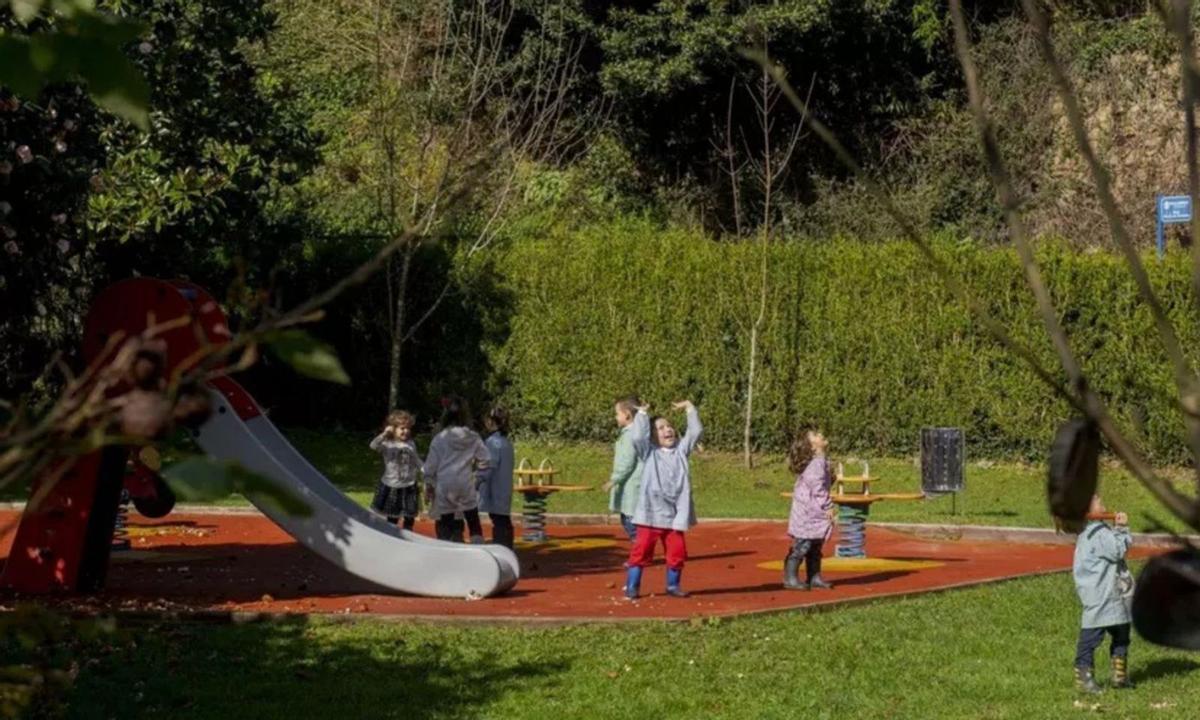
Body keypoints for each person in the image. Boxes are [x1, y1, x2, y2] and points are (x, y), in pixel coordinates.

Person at [624, 400, 702, 600]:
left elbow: (695, 432)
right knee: (640, 552)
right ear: (652, 435)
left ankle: (673, 585)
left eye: (669, 426)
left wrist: (690, 409)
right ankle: (633, 586)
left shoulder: (681, 451)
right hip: (650, 515)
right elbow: (638, 437)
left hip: (674, 516)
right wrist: (641, 415)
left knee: (677, 553)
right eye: (660, 428)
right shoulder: (649, 452)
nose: (667, 430)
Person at [1071, 495, 1134, 694]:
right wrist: (1122, 529)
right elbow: (1117, 551)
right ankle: (1083, 676)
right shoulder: (1098, 533)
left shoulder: (1092, 531)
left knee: (1122, 633)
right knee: (1091, 638)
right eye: (1096, 499)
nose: (1102, 500)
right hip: (1103, 595)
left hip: (1110, 595)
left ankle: (1119, 675)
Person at [422, 395, 490, 543]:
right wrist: (478, 474)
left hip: (445, 483)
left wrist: (428, 483)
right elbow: (485, 459)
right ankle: (478, 547)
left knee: (445, 519)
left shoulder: (439, 438)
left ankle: (447, 547)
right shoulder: (473, 437)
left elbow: (430, 466)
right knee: (472, 519)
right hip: (465, 482)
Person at [783, 429, 835, 590]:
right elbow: (817, 487)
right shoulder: (816, 463)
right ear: (811, 446)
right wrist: (828, 505)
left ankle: (814, 576)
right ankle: (790, 578)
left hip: (814, 511)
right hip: (808, 512)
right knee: (802, 544)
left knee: (815, 545)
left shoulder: (821, 461)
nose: (820, 434)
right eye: (815, 435)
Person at [368, 410, 423, 531]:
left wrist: (425, 470)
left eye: (408, 428)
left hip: (409, 486)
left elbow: (416, 460)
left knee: (409, 516)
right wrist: (384, 434)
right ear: (393, 428)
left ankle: (409, 534)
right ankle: (392, 535)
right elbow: (373, 445)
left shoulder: (410, 443)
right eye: (402, 428)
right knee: (393, 516)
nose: (406, 431)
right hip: (391, 485)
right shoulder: (387, 443)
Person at [603, 396, 645, 541]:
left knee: (630, 520)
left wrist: (613, 480)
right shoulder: (632, 433)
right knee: (627, 518)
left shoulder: (630, 435)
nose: (615, 417)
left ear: (627, 414)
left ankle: (641, 550)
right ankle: (641, 549)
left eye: (617, 413)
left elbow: (627, 461)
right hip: (630, 484)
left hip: (632, 484)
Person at [478, 405, 515, 549]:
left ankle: (503, 548)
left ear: (490, 422)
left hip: (496, 489)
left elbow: (489, 465)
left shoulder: (493, 442)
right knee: (503, 518)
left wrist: (478, 479)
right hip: (504, 487)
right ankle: (507, 547)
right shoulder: (507, 443)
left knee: (499, 520)